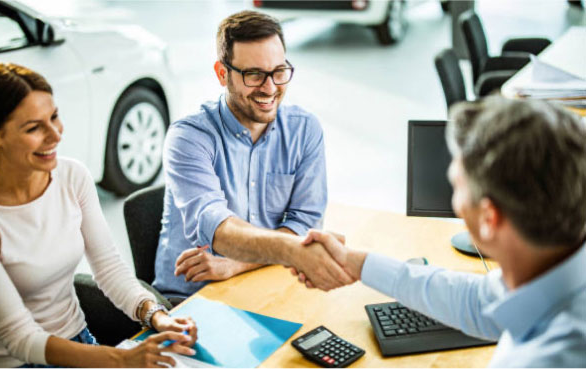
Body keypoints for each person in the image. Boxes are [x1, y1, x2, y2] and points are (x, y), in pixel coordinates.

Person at [296, 97, 586, 367]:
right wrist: (356, 263)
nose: (455, 205)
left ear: (489, 217)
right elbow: (476, 301)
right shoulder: (551, 269)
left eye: (456, 186)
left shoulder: (550, 357)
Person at [0, 63, 197, 368]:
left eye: (54, 117)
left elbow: (108, 268)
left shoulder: (72, 176)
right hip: (14, 362)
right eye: (33, 128)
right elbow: (21, 339)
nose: (55, 135)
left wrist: (156, 316)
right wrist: (122, 359)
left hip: (79, 340)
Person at [153, 10, 351, 302]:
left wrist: (236, 265)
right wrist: (299, 251)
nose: (270, 88)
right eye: (254, 74)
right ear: (223, 74)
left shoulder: (304, 129)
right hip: (192, 301)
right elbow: (221, 231)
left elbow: (304, 223)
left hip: (263, 284)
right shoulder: (189, 138)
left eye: (279, 71)